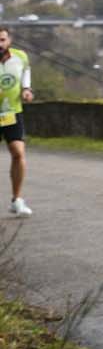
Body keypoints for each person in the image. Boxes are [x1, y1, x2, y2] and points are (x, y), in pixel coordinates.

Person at [1, 27, 35, 217]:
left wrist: (27, 89)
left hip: (11, 112)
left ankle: (17, 200)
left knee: (18, 152)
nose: (0, 44)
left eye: (2, 40)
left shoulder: (20, 56)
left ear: (9, 40)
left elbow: (26, 73)